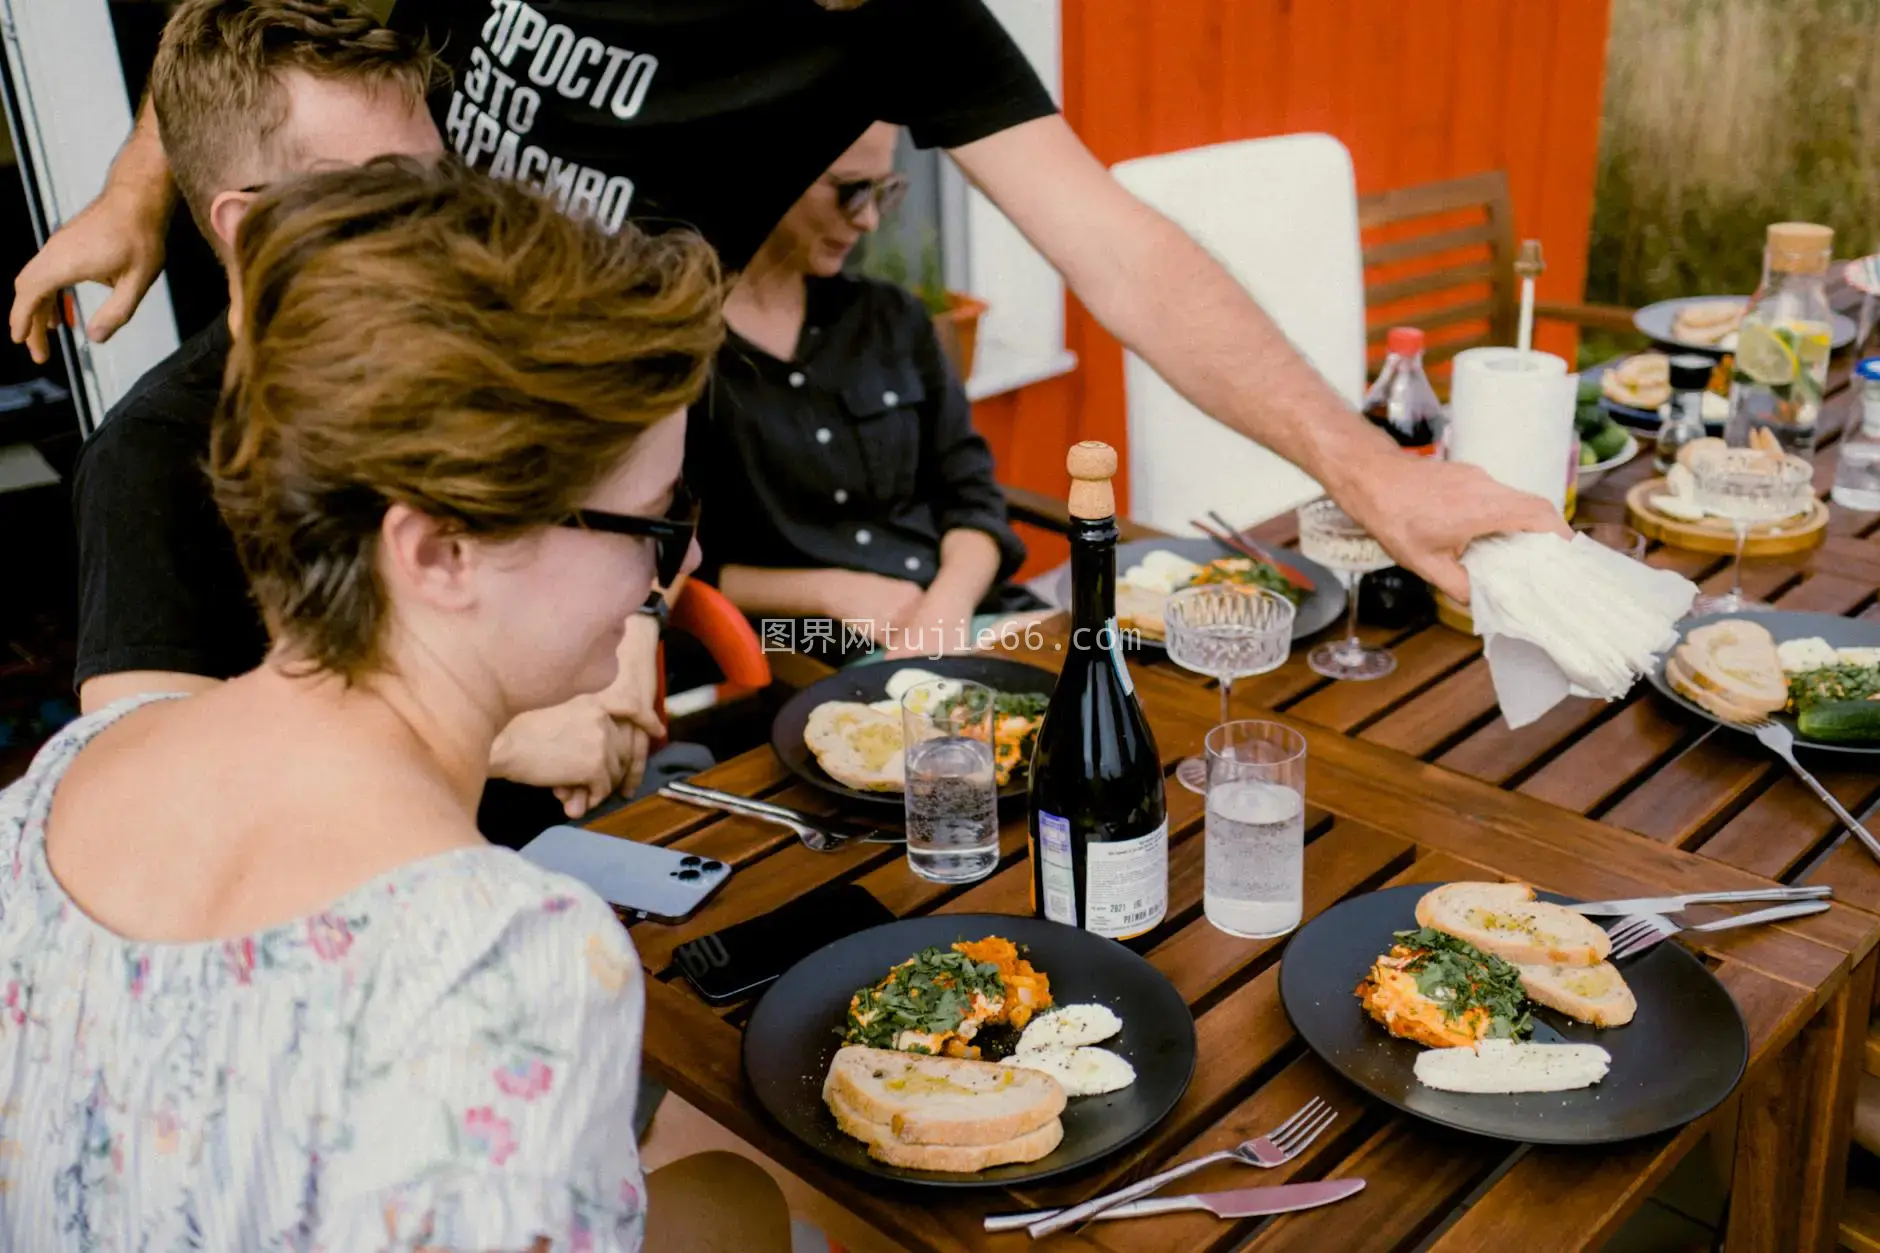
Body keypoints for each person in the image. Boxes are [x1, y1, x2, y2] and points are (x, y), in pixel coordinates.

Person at [14, 0, 1568, 608]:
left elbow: (1119, 247)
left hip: (555, 473)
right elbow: (261, 14)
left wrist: (1366, 466)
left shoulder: (905, 22)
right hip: (333, 408)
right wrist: (136, 185)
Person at [0, 156, 799, 1252]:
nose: (681, 561)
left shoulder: (62, 775)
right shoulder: (500, 960)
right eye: (653, 526)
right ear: (439, 549)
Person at [63, 0, 664, 834]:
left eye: (440, 183)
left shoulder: (468, 352)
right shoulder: (151, 455)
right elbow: (145, 793)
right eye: (385, 195)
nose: (442, 230)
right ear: (250, 224)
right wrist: (491, 735)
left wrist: (637, 612)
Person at [689, 121, 1050, 665]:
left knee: (1116, 685)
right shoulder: (684, 352)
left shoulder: (893, 319)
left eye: (883, 191)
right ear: (770, 172)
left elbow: (972, 496)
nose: (868, 219)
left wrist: (945, 610)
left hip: (962, 611)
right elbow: (674, 561)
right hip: (802, 645)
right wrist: (832, 592)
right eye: (851, 190)